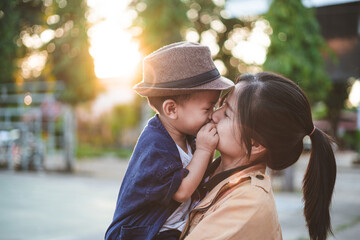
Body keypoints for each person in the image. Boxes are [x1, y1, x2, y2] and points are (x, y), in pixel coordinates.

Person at [180, 72, 337, 240]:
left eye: (227, 114)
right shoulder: (203, 167)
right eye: (222, 105)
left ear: (256, 144)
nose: (214, 115)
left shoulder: (249, 203)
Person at [105, 42, 234, 240]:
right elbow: (181, 191)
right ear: (171, 109)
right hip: (144, 233)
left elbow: (198, 173)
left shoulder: (187, 135)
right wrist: (205, 149)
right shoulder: (155, 146)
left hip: (171, 227)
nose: (213, 115)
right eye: (207, 109)